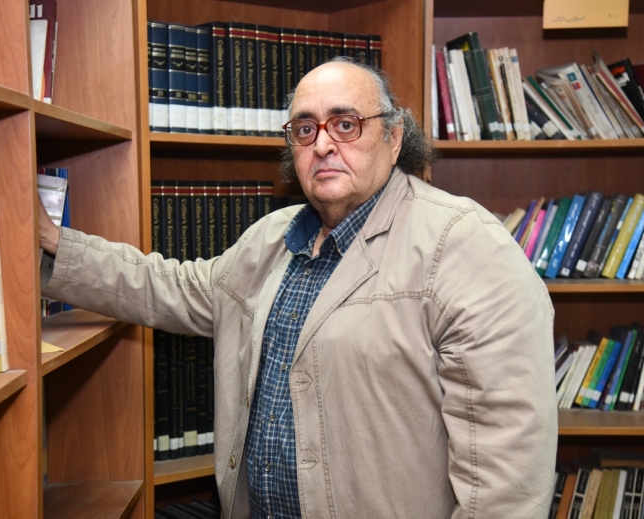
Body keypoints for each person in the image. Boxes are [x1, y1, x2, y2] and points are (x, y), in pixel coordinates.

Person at [39, 58, 557, 518]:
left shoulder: (464, 246)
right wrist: (53, 244)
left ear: (394, 137)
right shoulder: (270, 238)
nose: (323, 144)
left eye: (346, 124)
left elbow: (507, 480)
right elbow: (168, 286)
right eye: (305, 129)